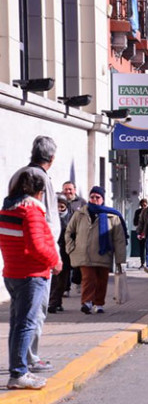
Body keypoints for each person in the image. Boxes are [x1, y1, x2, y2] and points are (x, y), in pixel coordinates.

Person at [0, 172, 61, 389]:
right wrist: (55, 261)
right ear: (38, 191)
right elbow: (37, 246)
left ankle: (18, 370)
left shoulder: (7, 210)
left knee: (17, 325)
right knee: (26, 324)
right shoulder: (31, 212)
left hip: (12, 273)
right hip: (31, 275)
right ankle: (18, 373)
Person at [7, 135, 59, 375]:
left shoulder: (18, 175)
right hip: (33, 265)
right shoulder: (39, 182)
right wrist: (54, 258)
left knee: (20, 319)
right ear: (51, 157)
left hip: (14, 261)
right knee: (33, 316)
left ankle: (22, 361)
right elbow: (44, 226)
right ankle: (27, 361)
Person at [65, 186, 127, 314]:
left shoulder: (112, 216)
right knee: (88, 278)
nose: (94, 199)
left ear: (102, 199)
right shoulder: (80, 214)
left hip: (104, 253)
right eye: (92, 197)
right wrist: (71, 248)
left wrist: (120, 260)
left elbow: (119, 239)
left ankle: (99, 304)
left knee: (101, 280)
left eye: (97, 197)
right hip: (84, 254)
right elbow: (69, 232)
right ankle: (87, 302)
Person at [47, 195, 72, 314]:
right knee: (54, 280)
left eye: (62, 206)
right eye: (57, 206)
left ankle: (57, 302)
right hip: (53, 252)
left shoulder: (71, 218)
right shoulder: (50, 218)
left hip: (66, 254)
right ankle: (52, 302)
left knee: (62, 281)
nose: (59, 209)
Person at [62, 181, 87, 297]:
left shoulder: (81, 202)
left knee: (78, 263)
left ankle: (77, 282)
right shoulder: (60, 201)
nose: (68, 192)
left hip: (77, 237)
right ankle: (65, 288)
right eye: (65, 189)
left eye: (70, 189)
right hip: (63, 237)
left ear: (75, 190)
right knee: (65, 264)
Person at [132, 198, 148, 269]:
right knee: (141, 248)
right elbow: (135, 222)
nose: (143, 206)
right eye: (142, 204)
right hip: (140, 232)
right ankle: (142, 263)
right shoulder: (138, 212)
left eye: (145, 204)